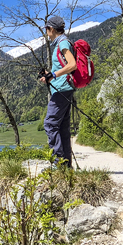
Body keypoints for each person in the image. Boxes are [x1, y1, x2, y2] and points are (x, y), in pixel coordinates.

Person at [39, 16, 77, 168]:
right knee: (62, 127)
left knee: (50, 123)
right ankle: (66, 166)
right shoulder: (60, 44)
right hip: (62, 88)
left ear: (51, 29)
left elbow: (72, 64)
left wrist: (53, 75)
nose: (47, 33)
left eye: (47, 30)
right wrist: (49, 75)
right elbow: (62, 67)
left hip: (62, 89)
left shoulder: (62, 43)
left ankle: (58, 163)